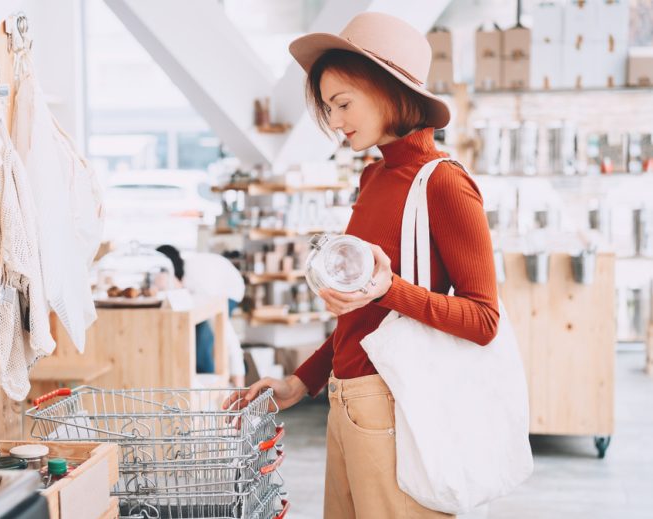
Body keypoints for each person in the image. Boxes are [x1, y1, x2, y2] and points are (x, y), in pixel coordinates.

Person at [224, 13, 499, 519]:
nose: (334, 121)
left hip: (399, 407)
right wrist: (299, 382)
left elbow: (484, 321)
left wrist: (387, 288)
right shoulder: (374, 177)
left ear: (389, 90)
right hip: (347, 402)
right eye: (328, 108)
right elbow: (367, 317)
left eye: (343, 104)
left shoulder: (444, 184)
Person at [155, 245, 246, 387]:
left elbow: (229, 338)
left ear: (171, 275)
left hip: (230, 289)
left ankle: (217, 389)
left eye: (164, 286)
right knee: (194, 336)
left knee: (205, 338)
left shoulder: (201, 285)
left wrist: (241, 388)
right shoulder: (182, 281)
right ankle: (202, 386)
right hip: (205, 286)